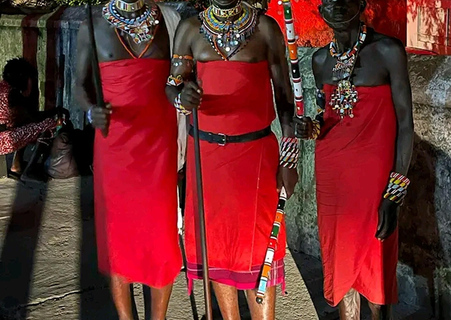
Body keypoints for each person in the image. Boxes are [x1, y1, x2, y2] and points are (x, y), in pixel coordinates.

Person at [165, 1, 298, 319]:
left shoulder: (266, 28)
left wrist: (290, 160)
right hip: (207, 158)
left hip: (255, 157)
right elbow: (172, 85)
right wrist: (182, 96)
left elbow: (284, 96)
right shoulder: (190, 29)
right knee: (218, 247)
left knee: (258, 247)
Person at [295, 0, 414, 319]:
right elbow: (326, 113)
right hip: (333, 174)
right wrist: (310, 126)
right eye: (328, 1)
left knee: (376, 266)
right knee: (341, 263)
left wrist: (395, 193)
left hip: (375, 177)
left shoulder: (388, 51)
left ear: (361, 5)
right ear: (320, 11)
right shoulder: (320, 60)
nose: (336, 6)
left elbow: (405, 124)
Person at [74, 1, 184, 319]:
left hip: (159, 145)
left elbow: (179, 78)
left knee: (162, 235)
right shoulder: (91, 25)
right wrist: (91, 109)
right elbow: (81, 85)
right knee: (117, 234)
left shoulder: (169, 20)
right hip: (115, 145)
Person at [0, 58, 58, 177]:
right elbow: (34, 117)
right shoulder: (13, 94)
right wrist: (56, 113)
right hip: (2, 140)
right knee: (47, 124)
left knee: (24, 125)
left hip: (3, 133)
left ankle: (17, 164)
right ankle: (29, 169)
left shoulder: (3, 88)